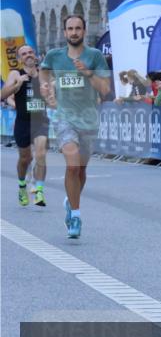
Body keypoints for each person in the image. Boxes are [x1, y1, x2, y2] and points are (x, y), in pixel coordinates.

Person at [39, 15, 111, 238]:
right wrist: (44, 86)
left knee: (81, 170)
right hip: (65, 117)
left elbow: (105, 89)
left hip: (88, 119)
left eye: (78, 28)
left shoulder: (95, 56)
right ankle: (76, 216)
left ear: (84, 31)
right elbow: (44, 69)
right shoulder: (55, 56)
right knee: (72, 166)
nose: (74, 32)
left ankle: (72, 201)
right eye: (70, 28)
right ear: (64, 32)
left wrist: (88, 73)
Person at [1, 44, 50, 206]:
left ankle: (39, 191)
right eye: (24, 54)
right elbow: (2, 95)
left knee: (41, 154)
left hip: (40, 121)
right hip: (22, 122)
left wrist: (49, 91)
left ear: (35, 55)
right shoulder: (15, 74)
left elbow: (54, 96)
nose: (28, 55)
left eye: (30, 52)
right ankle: (22, 186)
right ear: (19, 58)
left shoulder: (44, 74)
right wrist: (17, 85)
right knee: (25, 158)